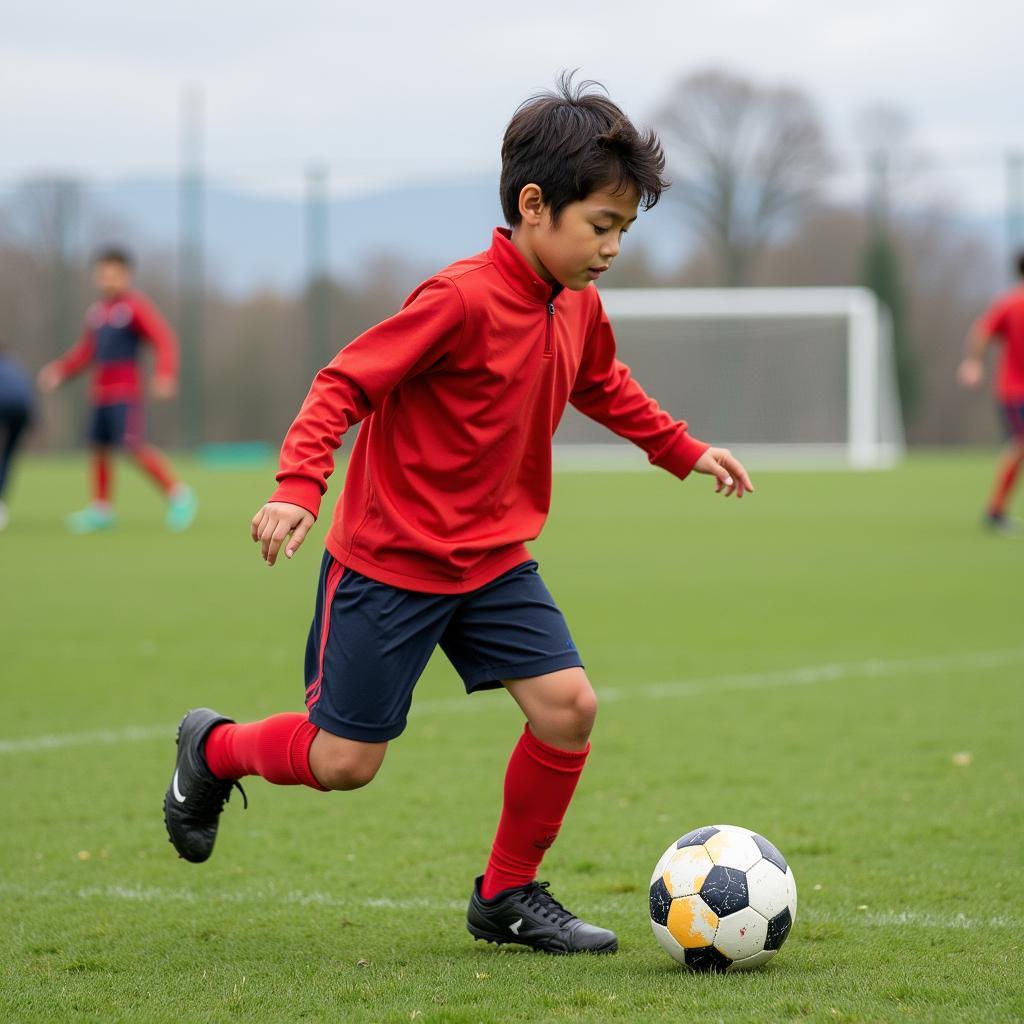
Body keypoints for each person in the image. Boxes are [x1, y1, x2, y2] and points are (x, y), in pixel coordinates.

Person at [163, 75, 753, 955]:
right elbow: (342, 384)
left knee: (568, 707)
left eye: (624, 230)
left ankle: (506, 894)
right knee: (344, 764)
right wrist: (297, 486)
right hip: (390, 563)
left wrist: (680, 448)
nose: (613, 248)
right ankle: (211, 752)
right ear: (533, 205)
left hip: (492, 561)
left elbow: (602, 385)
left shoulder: (580, 306)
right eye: (602, 225)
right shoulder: (459, 298)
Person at [37, 246, 196, 533]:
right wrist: (60, 370)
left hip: (126, 392)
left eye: (114, 274)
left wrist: (165, 373)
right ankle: (101, 509)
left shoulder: (134, 307)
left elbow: (164, 339)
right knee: (98, 448)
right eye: (103, 274)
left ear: (127, 275)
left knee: (132, 446)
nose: (108, 280)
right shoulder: (97, 313)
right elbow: (87, 352)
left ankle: (179, 495)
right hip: (100, 393)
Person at [958, 250, 1024, 531]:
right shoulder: (1011, 303)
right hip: (1016, 391)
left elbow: (980, 333)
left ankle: (995, 511)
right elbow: (982, 331)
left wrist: (973, 362)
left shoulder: (1008, 302)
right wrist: (972, 362)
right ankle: (994, 511)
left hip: (1010, 391)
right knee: (1020, 445)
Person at [0, 343, 35, 531]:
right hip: (22, 411)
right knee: (8, 455)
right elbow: (27, 396)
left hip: (5, 405)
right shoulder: (14, 366)